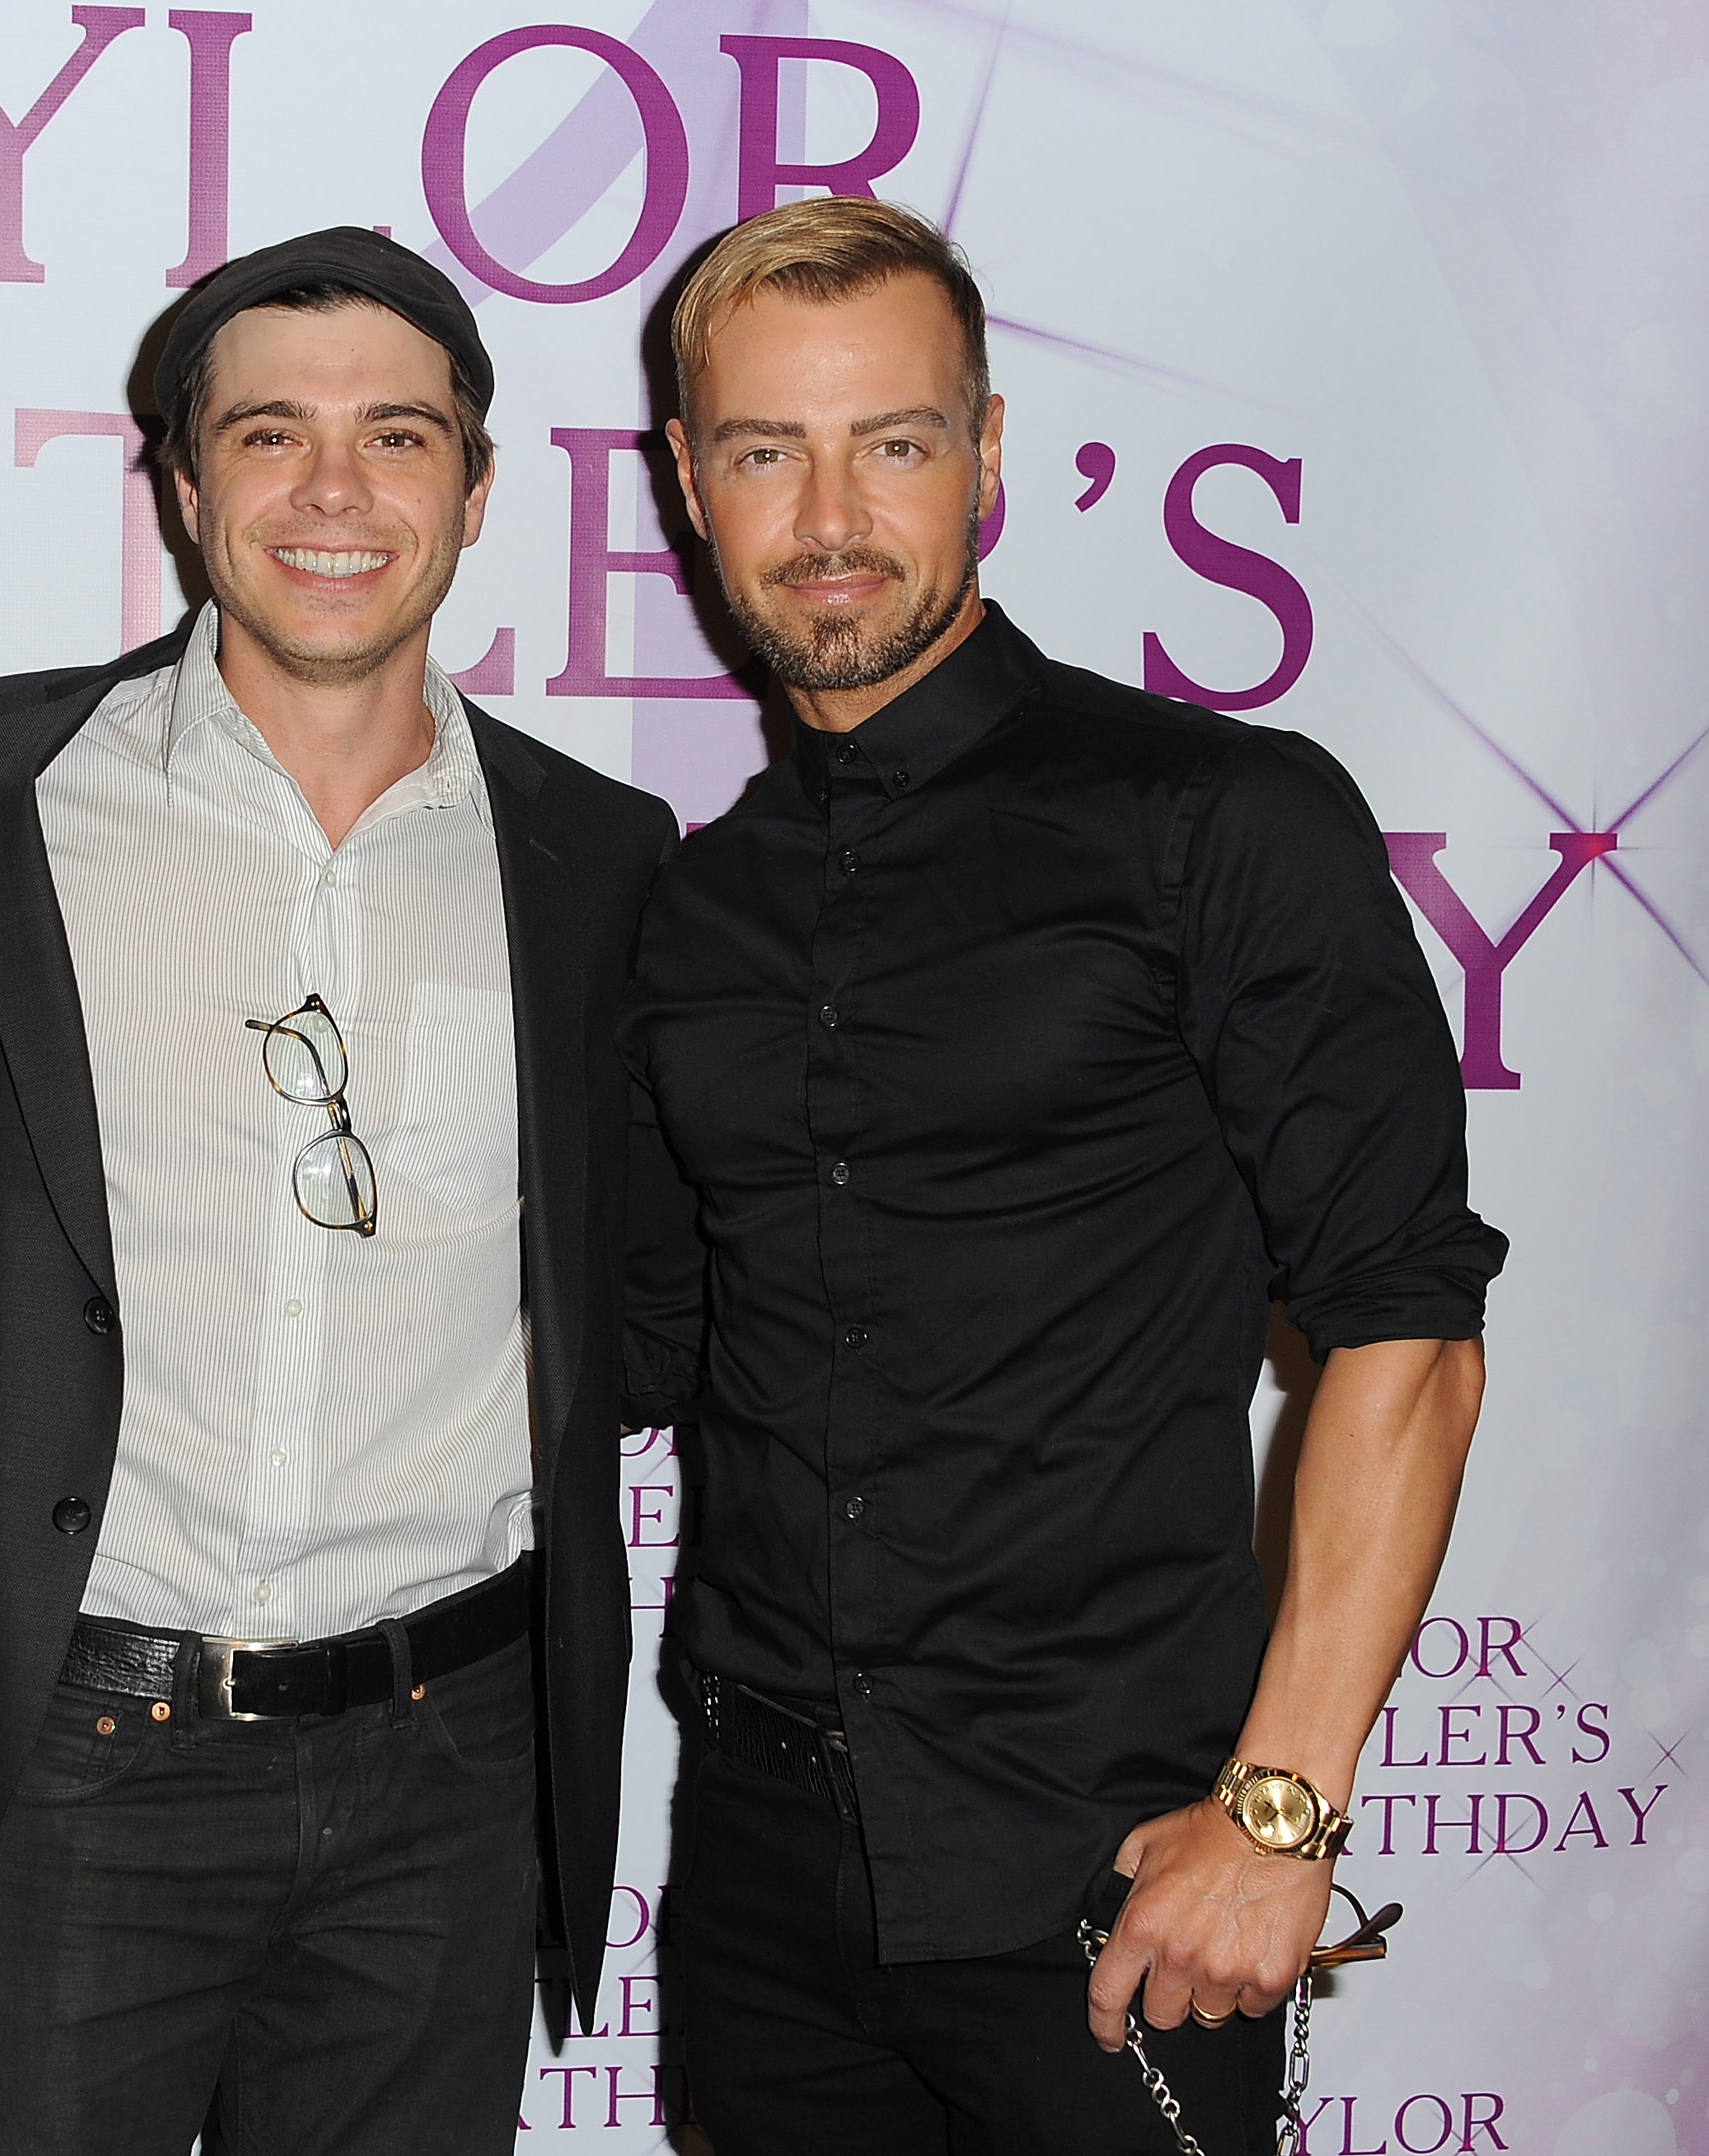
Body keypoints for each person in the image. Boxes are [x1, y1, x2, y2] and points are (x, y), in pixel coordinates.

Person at [620, 193, 1504, 2152]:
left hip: (1110, 1871)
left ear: (989, 457)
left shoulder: (1219, 821)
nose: (832, 512)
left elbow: (1409, 1332)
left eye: (897, 443)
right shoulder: (697, 912)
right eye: (769, 450)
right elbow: (637, 1350)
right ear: (688, 482)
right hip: (764, 1875)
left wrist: (1280, 1817)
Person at [0, 226, 677, 2153]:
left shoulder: (604, 856)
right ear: (184, 479)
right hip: (74, 1754)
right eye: (270, 434)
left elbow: (634, 1300)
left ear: (477, 491)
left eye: (397, 437)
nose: (332, 492)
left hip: (451, 1774)